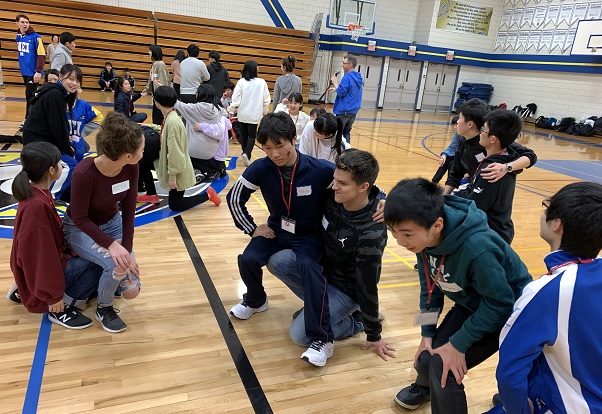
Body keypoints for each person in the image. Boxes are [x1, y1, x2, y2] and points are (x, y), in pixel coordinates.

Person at [383, 178, 532, 414]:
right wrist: (426, 334)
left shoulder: (477, 247)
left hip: (508, 314)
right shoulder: (423, 242)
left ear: (437, 225)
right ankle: (425, 388)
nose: (400, 242)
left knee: (445, 367)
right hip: (472, 304)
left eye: (407, 234)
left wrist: (458, 344)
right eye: (393, 232)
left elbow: (500, 304)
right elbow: (428, 291)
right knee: (427, 356)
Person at [226, 112, 335, 366]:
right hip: (276, 229)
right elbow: (234, 199)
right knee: (248, 258)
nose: (274, 154)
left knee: (309, 267)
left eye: (280, 146)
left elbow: (354, 181)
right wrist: (251, 228)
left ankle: (323, 339)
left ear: (294, 139)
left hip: (308, 235)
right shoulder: (262, 167)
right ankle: (256, 300)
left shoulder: (318, 169)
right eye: (267, 148)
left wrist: (380, 197)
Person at [267, 149, 394, 365]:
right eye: (335, 180)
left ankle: (356, 323)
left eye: (342, 184)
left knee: (301, 335)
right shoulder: (333, 197)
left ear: (363, 187)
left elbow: (368, 285)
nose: (334, 186)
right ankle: (319, 312)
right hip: (322, 276)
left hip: (346, 292)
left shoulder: (371, 233)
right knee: (277, 261)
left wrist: (374, 334)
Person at [493, 182, 602, 414]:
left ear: (557, 224)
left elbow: (509, 372)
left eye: (547, 208)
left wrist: (520, 408)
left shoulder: (546, 291)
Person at [62, 112, 142, 333]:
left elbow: (128, 209)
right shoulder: (84, 173)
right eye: (141, 149)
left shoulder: (132, 167)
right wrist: (111, 245)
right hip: (80, 228)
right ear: (127, 154)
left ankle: (109, 284)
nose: (143, 153)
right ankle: (103, 308)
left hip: (112, 222)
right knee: (115, 264)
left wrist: (126, 247)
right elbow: (79, 218)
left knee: (131, 292)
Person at [8, 142, 102, 329]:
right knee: (98, 263)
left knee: (89, 253)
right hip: (47, 272)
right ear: (51, 170)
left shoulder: (37, 193)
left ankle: (27, 287)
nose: (62, 166)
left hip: (41, 268)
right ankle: (62, 307)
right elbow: (42, 257)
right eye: (60, 163)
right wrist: (53, 296)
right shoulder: (37, 207)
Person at [137, 86, 221, 209]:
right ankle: (151, 194)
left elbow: (175, 153)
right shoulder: (170, 116)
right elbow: (165, 131)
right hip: (172, 165)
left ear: (157, 102)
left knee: (175, 205)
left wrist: (172, 177)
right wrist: (150, 126)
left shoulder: (172, 122)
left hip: (177, 170)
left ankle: (208, 195)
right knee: (142, 163)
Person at [443, 98, 537, 199]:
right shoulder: (463, 142)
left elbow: (530, 155)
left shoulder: (491, 141)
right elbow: (454, 176)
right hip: (475, 189)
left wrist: (507, 167)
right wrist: (443, 199)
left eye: (460, 118)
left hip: (488, 196)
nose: (456, 121)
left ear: (470, 124)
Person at [23, 64, 83, 202]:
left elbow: (58, 127)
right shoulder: (55, 94)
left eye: (77, 80)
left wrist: (69, 145)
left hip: (43, 139)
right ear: (61, 77)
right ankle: (50, 195)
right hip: (37, 144)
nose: (74, 83)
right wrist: (67, 148)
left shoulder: (59, 93)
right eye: (71, 79)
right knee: (71, 165)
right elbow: (58, 128)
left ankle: (68, 188)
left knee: (80, 151)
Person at [462, 109, 523, 244]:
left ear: (493, 139)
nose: (480, 133)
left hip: (489, 238)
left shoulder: (492, 171)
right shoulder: (507, 160)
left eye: (483, 129)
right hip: (499, 231)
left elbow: (472, 209)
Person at [174, 84, 224, 181]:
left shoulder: (193, 108)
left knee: (181, 154)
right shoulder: (219, 111)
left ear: (199, 95)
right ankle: (209, 169)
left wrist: (161, 86)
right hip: (212, 151)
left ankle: (202, 170)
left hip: (193, 150)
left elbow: (175, 103)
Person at [227, 60, 270, 166]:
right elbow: (266, 99)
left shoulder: (241, 82)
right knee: (251, 136)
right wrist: (265, 111)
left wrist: (231, 110)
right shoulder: (261, 82)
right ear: (254, 69)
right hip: (255, 114)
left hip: (242, 113)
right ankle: (247, 153)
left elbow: (236, 98)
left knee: (244, 135)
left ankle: (244, 153)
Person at [15, 13, 45, 121]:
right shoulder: (18, 37)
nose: (25, 24)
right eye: (22, 22)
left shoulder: (36, 37)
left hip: (33, 72)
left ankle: (28, 120)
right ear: (17, 23)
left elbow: (41, 55)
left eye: (27, 22)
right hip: (24, 71)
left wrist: (38, 71)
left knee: (30, 96)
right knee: (29, 95)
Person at [329, 54, 363, 145]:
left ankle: (339, 153)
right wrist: (337, 88)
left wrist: (335, 83)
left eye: (344, 63)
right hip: (352, 112)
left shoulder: (347, 77)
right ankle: (347, 152)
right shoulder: (358, 77)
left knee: (339, 133)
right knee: (346, 132)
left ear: (350, 64)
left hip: (344, 111)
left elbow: (341, 93)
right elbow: (350, 91)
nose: (342, 65)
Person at [193, 110, 231, 179]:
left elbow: (218, 132)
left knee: (192, 157)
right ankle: (220, 169)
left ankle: (212, 171)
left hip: (216, 157)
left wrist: (201, 126)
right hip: (220, 157)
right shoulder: (223, 119)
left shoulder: (219, 120)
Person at [143, 45, 170, 125]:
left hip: (160, 96)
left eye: (150, 51)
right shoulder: (154, 64)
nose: (149, 53)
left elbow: (162, 81)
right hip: (156, 95)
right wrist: (147, 89)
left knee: (159, 118)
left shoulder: (160, 64)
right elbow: (151, 79)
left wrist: (162, 94)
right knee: (156, 118)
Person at [431, 116, 460, 184]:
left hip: (462, 158)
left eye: (456, 125)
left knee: (451, 164)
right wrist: (444, 155)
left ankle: (449, 183)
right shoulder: (457, 134)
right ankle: (434, 182)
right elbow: (452, 147)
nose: (455, 127)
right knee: (445, 161)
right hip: (456, 155)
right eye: (454, 125)